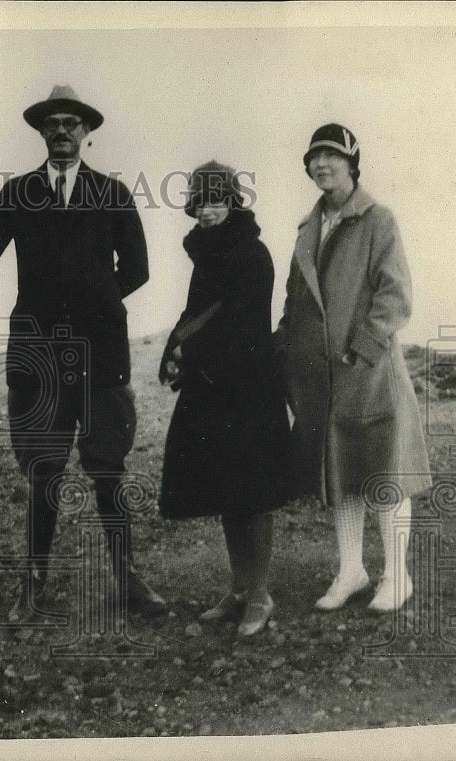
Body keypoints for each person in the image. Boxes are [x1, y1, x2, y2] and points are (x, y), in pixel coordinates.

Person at [0, 85, 167, 622]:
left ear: (86, 132)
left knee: (108, 470)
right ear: (41, 133)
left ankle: (127, 581)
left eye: (71, 123)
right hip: (38, 358)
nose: (62, 132)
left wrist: (92, 303)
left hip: (100, 355)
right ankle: (33, 586)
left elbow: (137, 270)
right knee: (45, 471)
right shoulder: (19, 193)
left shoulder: (112, 193)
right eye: (52, 124)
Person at [274, 124, 431, 613]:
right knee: (340, 473)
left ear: (351, 163)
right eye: (314, 157)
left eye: (331, 156)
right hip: (321, 380)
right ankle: (351, 570)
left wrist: (362, 349)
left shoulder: (378, 219)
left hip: (369, 372)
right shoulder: (308, 228)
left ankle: (396, 576)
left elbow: (395, 294)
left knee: (382, 472)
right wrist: (284, 354)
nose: (321, 165)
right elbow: (294, 301)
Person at [158, 161, 290, 637]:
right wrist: (173, 347)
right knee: (227, 490)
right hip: (214, 388)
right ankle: (239, 588)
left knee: (253, 492)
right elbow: (196, 311)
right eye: (199, 200)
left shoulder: (251, 253)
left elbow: (239, 321)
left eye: (216, 199)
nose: (206, 209)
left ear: (233, 201)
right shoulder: (208, 253)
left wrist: (186, 351)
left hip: (248, 390)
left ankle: (260, 595)